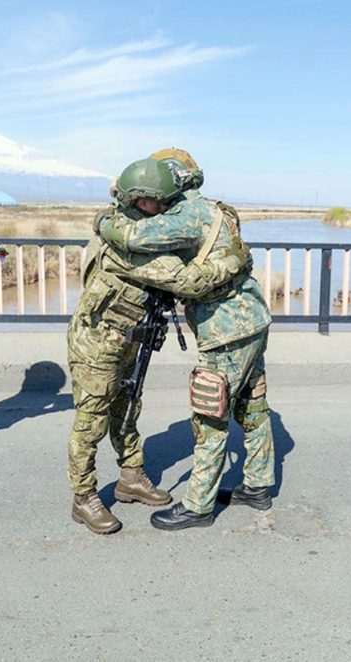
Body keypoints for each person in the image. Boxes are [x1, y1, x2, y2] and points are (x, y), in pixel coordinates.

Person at [66, 159, 251, 534]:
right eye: (155, 202)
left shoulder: (128, 223)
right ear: (136, 200)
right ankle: (83, 496)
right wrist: (235, 260)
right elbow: (187, 281)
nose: (163, 208)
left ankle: (131, 476)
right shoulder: (126, 244)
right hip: (98, 342)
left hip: (126, 336)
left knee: (127, 406)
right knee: (91, 420)